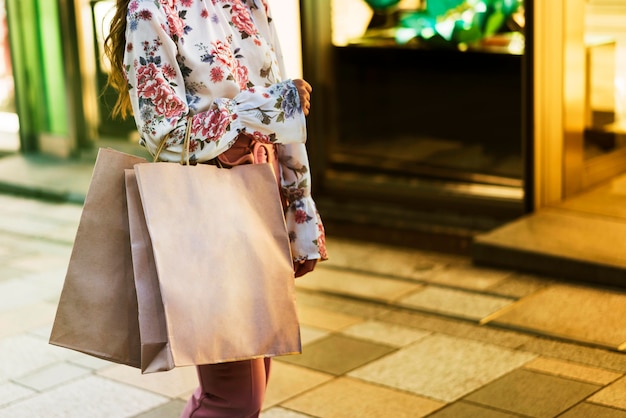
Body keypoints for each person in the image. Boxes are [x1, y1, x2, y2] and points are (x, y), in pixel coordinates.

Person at [104, 1, 327, 416]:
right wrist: (261, 109)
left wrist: (300, 212)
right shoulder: (150, 9)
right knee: (234, 399)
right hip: (205, 212)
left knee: (251, 385)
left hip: (263, 201)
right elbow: (164, 135)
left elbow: (283, 117)